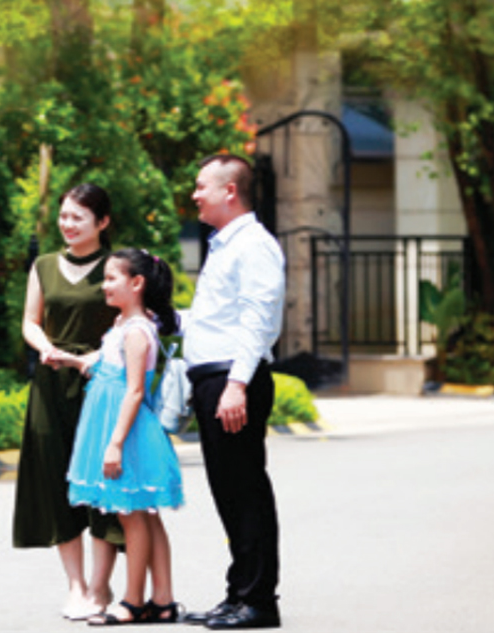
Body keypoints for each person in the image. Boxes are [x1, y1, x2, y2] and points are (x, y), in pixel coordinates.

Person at [181, 154, 285, 630]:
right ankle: (239, 593)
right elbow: (216, 319)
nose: (195, 194)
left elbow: (258, 319)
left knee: (245, 491)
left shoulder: (254, 245)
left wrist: (237, 384)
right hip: (215, 380)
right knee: (229, 492)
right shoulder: (225, 245)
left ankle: (258, 601)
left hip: (231, 380)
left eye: (201, 186)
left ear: (229, 191)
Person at [13, 183, 125, 620]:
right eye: (64, 216)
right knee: (55, 481)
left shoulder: (116, 266)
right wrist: (45, 347)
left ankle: (100, 587)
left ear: (102, 222)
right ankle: (76, 586)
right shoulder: (43, 265)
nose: (68, 224)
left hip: (101, 383)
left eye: (78, 217)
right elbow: (30, 320)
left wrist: (97, 356)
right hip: (51, 383)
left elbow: (133, 321)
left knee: (100, 484)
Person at [60, 248, 186, 626]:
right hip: (117, 424)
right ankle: (162, 600)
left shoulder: (136, 331)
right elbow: (105, 364)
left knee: (132, 516)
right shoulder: (124, 324)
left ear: (137, 283)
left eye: (112, 277)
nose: (104, 285)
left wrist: (114, 443)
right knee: (145, 515)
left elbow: (133, 390)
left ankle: (132, 601)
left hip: (125, 430)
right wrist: (69, 359)